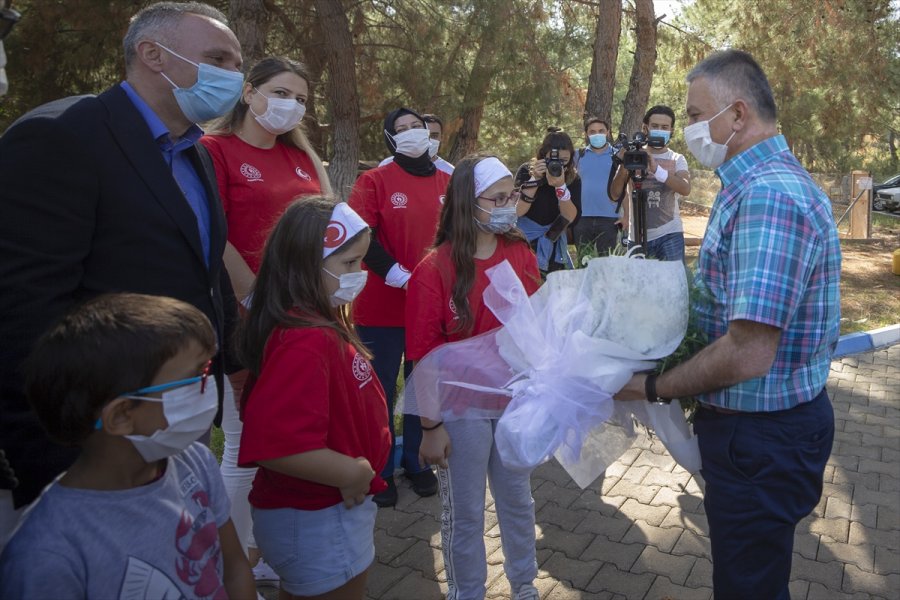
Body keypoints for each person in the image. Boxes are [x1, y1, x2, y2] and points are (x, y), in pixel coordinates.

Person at [0, 1, 243, 549]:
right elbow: (22, 312)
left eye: (237, 63)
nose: (234, 76)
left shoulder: (195, 152)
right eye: (218, 59)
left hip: (177, 417)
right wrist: (64, 455)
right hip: (93, 442)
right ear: (153, 54)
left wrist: (234, 362)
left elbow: (203, 268)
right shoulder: (62, 136)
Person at [615, 49, 840, 600]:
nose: (688, 129)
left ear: (737, 114)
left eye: (695, 115)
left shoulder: (767, 196)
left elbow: (748, 351)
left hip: (760, 439)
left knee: (748, 587)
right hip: (762, 435)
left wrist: (652, 387)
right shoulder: (752, 185)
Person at [0, 293, 255, 598]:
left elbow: (234, 569)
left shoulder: (195, 463)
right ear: (121, 416)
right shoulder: (47, 555)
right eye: (195, 376)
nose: (208, 385)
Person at [200, 55, 328, 574]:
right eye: (280, 93)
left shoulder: (300, 157)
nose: (290, 106)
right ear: (249, 92)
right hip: (245, 319)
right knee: (244, 445)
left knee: (291, 437)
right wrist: (253, 296)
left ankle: (265, 553)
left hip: (303, 317)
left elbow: (327, 222)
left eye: (300, 99)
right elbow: (214, 231)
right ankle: (227, 565)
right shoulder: (215, 150)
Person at [237, 198, 392, 600]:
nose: (360, 275)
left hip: (322, 513)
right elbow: (276, 444)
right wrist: (352, 472)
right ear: (307, 265)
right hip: (319, 517)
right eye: (349, 263)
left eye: (361, 262)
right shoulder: (305, 340)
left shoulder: (314, 324)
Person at [408, 155, 542, 600]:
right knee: (465, 512)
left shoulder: (518, 252)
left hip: (512, 403)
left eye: (511, 196)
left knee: (517, 500)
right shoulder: (434, 269)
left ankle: (524, 585)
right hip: (460, 410)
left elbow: (536, 323)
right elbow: (423, 356)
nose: (509, 206)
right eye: (497, 199)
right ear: (469, 202)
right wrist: (430, 427)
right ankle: (467, 592)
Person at [348, 107, 449, 507]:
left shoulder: (448, 181)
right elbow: (360, 236)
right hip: (381, 306)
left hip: (430, 307)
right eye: (400, 129)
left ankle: (417, 461)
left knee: (422, 386)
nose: (410, 132)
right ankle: (380, 469)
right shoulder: (374, 180)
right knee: (380, 389)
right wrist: (399, 275)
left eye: (415, 126)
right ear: (390, 140)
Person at [610, 105, 691, 261]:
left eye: (664, 127)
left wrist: (656, 169)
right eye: (655, 126)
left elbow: (685, 188)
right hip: (636, 236)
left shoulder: (677, 158)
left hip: (669, 234)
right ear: (645, 128)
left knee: (671, 277)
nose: (659, 130)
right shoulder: (633, 154)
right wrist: (624, 163)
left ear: (672, 130)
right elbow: (614, 194)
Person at [514, 128, 581, 274]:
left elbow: (570, 218)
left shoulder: (572, 178)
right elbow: (517, 212)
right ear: (544, 155)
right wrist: (535, 179)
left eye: (564, 161)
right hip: (525, 240)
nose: (558, 165)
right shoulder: (527, 170)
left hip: (553, 240)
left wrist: (561, 187)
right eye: (554, 159)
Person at [572, 116, 620, 256]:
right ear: (586, 134)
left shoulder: (617, 156)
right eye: (592, 132)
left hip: (609, 218)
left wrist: (626, 216)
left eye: (601, 131)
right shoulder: (577, 156)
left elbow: (625, 187)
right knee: (583, 260)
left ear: (608, 132)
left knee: (606, 262)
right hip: (581, 217)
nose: (597, 134)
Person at [379, 113, 455, 174]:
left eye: (434, 136)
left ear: (441, 138)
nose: (429, 140)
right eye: (424, 134)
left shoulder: (450, 172)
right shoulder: (387, 165)